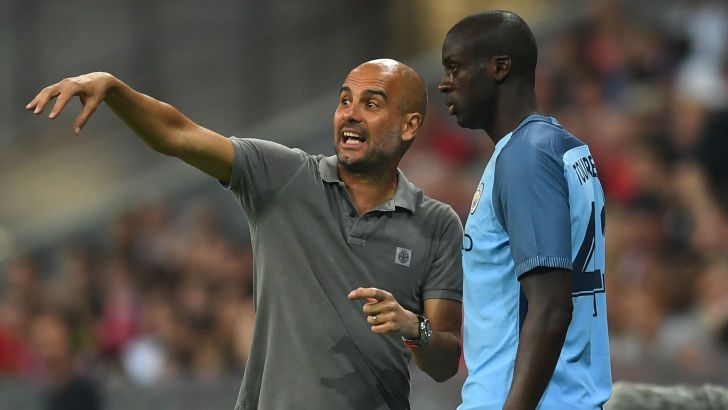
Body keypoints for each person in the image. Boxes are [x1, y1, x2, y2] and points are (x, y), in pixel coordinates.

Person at [26, 58, 463, 410]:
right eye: (345, 100)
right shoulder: (284, 176)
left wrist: (413, 327)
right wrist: (115, 89)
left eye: (371, 104)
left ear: (409, 126)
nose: (350, 113)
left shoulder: (437, 224)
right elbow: (178, 134)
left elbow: (444, 361)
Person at [437, 11, 611, 410]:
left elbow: (551, 306)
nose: (444, 83)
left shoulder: (526, 156)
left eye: (455, 68)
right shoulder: (563, 148)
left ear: (499, 68)